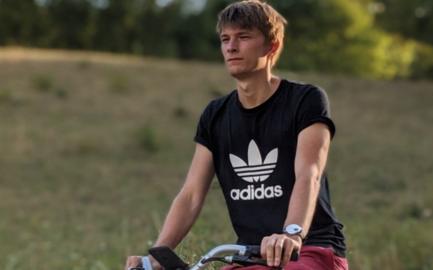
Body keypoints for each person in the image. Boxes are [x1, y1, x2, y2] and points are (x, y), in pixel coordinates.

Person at [125, 0, 348, 269]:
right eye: (225, 39)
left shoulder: (305, 100)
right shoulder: (215, 115)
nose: (231, 46)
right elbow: (191, 194)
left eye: (243, 37)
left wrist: (292, 233)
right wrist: (157, 257)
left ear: (272, 45)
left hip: (310, 250)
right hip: (250, 256)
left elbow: (308, 173)